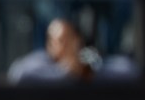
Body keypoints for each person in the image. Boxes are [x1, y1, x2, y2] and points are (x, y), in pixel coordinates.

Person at [8, 18, 139, 84]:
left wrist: (89, 71)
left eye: (68, 39)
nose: (63, 45)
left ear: (78, 40)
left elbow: (130, 69)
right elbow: (17, 73)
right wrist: (65, 71)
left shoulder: (87, 57)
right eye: (58, 40)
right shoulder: (43, 59)